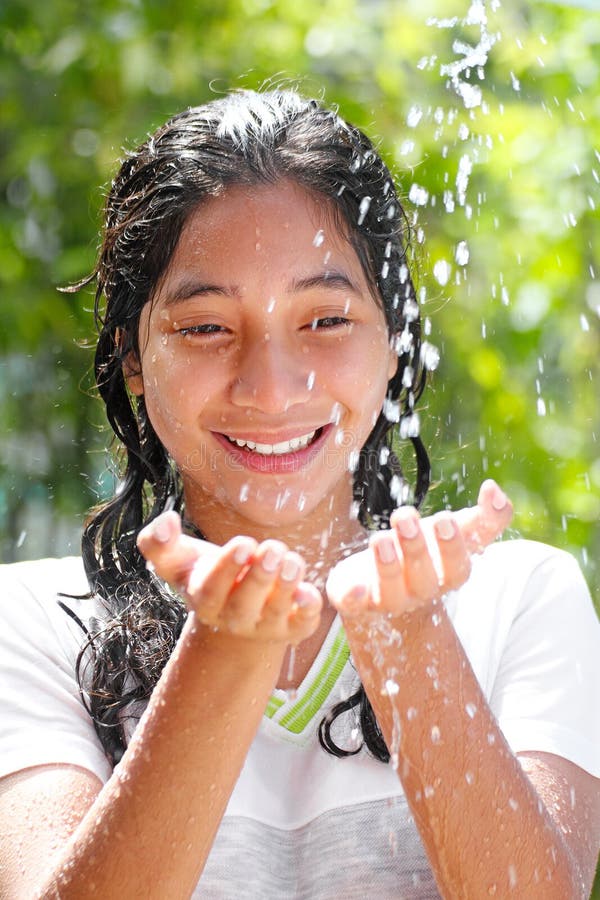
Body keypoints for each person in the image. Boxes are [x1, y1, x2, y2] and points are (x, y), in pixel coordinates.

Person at [0, 88, 598, 900]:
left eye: (325, 320)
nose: (272, 389)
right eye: (206, 326)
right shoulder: (35, 625)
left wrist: (406, 633)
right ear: (131, 357)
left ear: (395, 340)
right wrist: (227, 646)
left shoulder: (516, 599)